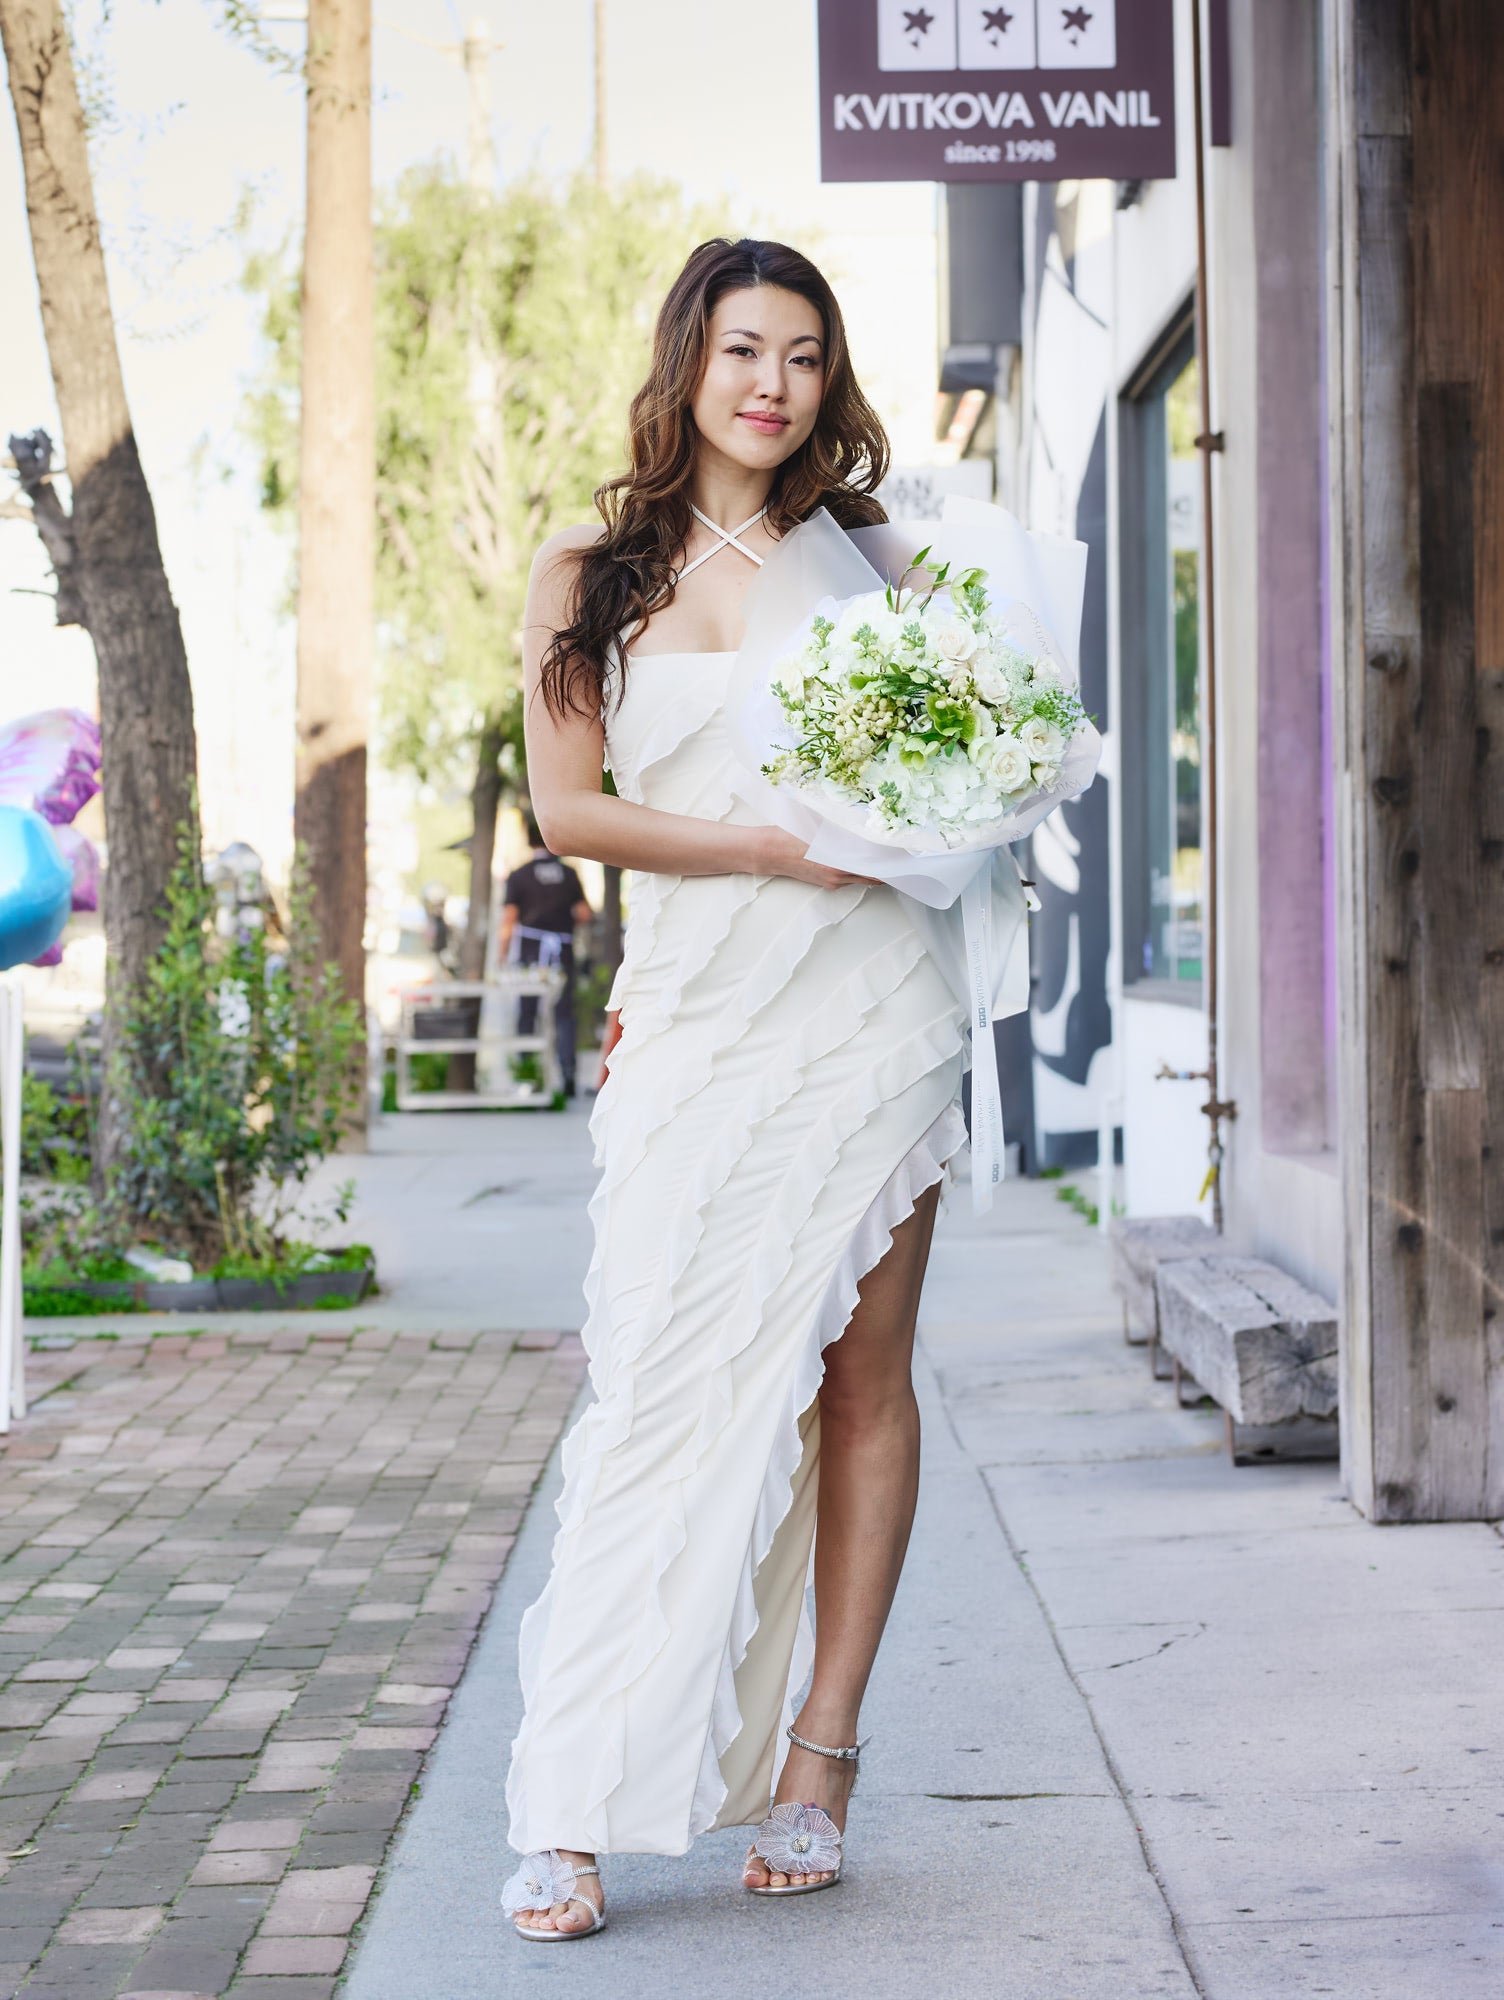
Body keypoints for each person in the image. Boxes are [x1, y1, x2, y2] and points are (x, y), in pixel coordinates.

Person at [501, 238, 968, 1940]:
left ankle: (819, 1759)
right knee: (657, 1394)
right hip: (700, 1018)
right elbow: (569, 811)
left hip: (872, 1017)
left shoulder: (881, 564)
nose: (769, 384)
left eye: (801, 355)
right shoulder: (587, 565)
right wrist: (768, 846)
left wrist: (938, 806)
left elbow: (967, 765)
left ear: (825, 377)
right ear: (688, 362)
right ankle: (571, 1802)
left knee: (862, 1386)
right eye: (741, 350)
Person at [497, 826, 592, 1097]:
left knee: (527, 1011)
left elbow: (509, 919)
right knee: (564, 1013)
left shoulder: (519, 875)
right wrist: (563, 922)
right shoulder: (569, 874)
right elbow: (584, 913)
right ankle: (568, 1073)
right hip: (561, 949)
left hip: (530, 952)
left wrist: (502, 955)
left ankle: (527, 1075)